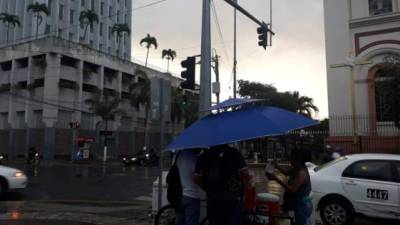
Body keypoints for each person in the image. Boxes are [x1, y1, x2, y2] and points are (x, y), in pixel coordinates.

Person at [194, 144, 250, 225]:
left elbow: (196, 179)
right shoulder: (234, 152)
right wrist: (244, 193)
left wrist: (207, 189)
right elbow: (245, 175)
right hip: (233, 199)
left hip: (213, 200)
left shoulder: (204, 155)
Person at [266, 149, 313, 225]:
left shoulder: (301, 173)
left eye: (292, 158)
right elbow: (287, 173)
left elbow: (292, 190)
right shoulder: (297, 168)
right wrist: (276, 166)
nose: (290, 160)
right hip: (300, 203)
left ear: (297, 159)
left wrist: (276, 179)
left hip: (302, 205)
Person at [175, 149, 202, 225]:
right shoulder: (194, 158)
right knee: (191, 222)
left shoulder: (179, 155)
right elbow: (196, 178)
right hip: (191, 195)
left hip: (179, 194)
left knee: (179, 221)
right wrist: (205, 187)